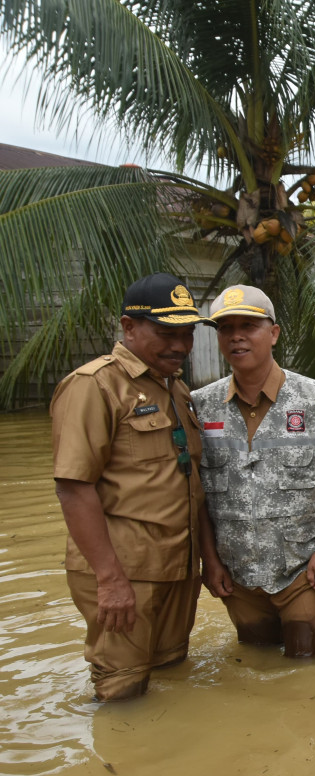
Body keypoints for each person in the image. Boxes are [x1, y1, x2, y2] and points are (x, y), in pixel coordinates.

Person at [51, 273, 215, 701]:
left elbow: (190, 481)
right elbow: (73, 486)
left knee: (170, 676)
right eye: (165, 333)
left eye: (187, 333)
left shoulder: (176, 390)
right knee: (121, 690)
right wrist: (110, 580)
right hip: (125, 572)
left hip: (176, 568)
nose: (179, 345)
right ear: (128, 327)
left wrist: (206, 563)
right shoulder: (95, 386)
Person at [192, 285, 315, 657]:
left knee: (310, 656)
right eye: (225, 328)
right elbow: (198, 490)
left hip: (302, 566)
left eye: (248, 325)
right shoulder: (201, 406)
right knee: (257, 658)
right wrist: (210, 560)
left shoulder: (314, 397)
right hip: (237, 571)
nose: (236, 336)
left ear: (274, 333)